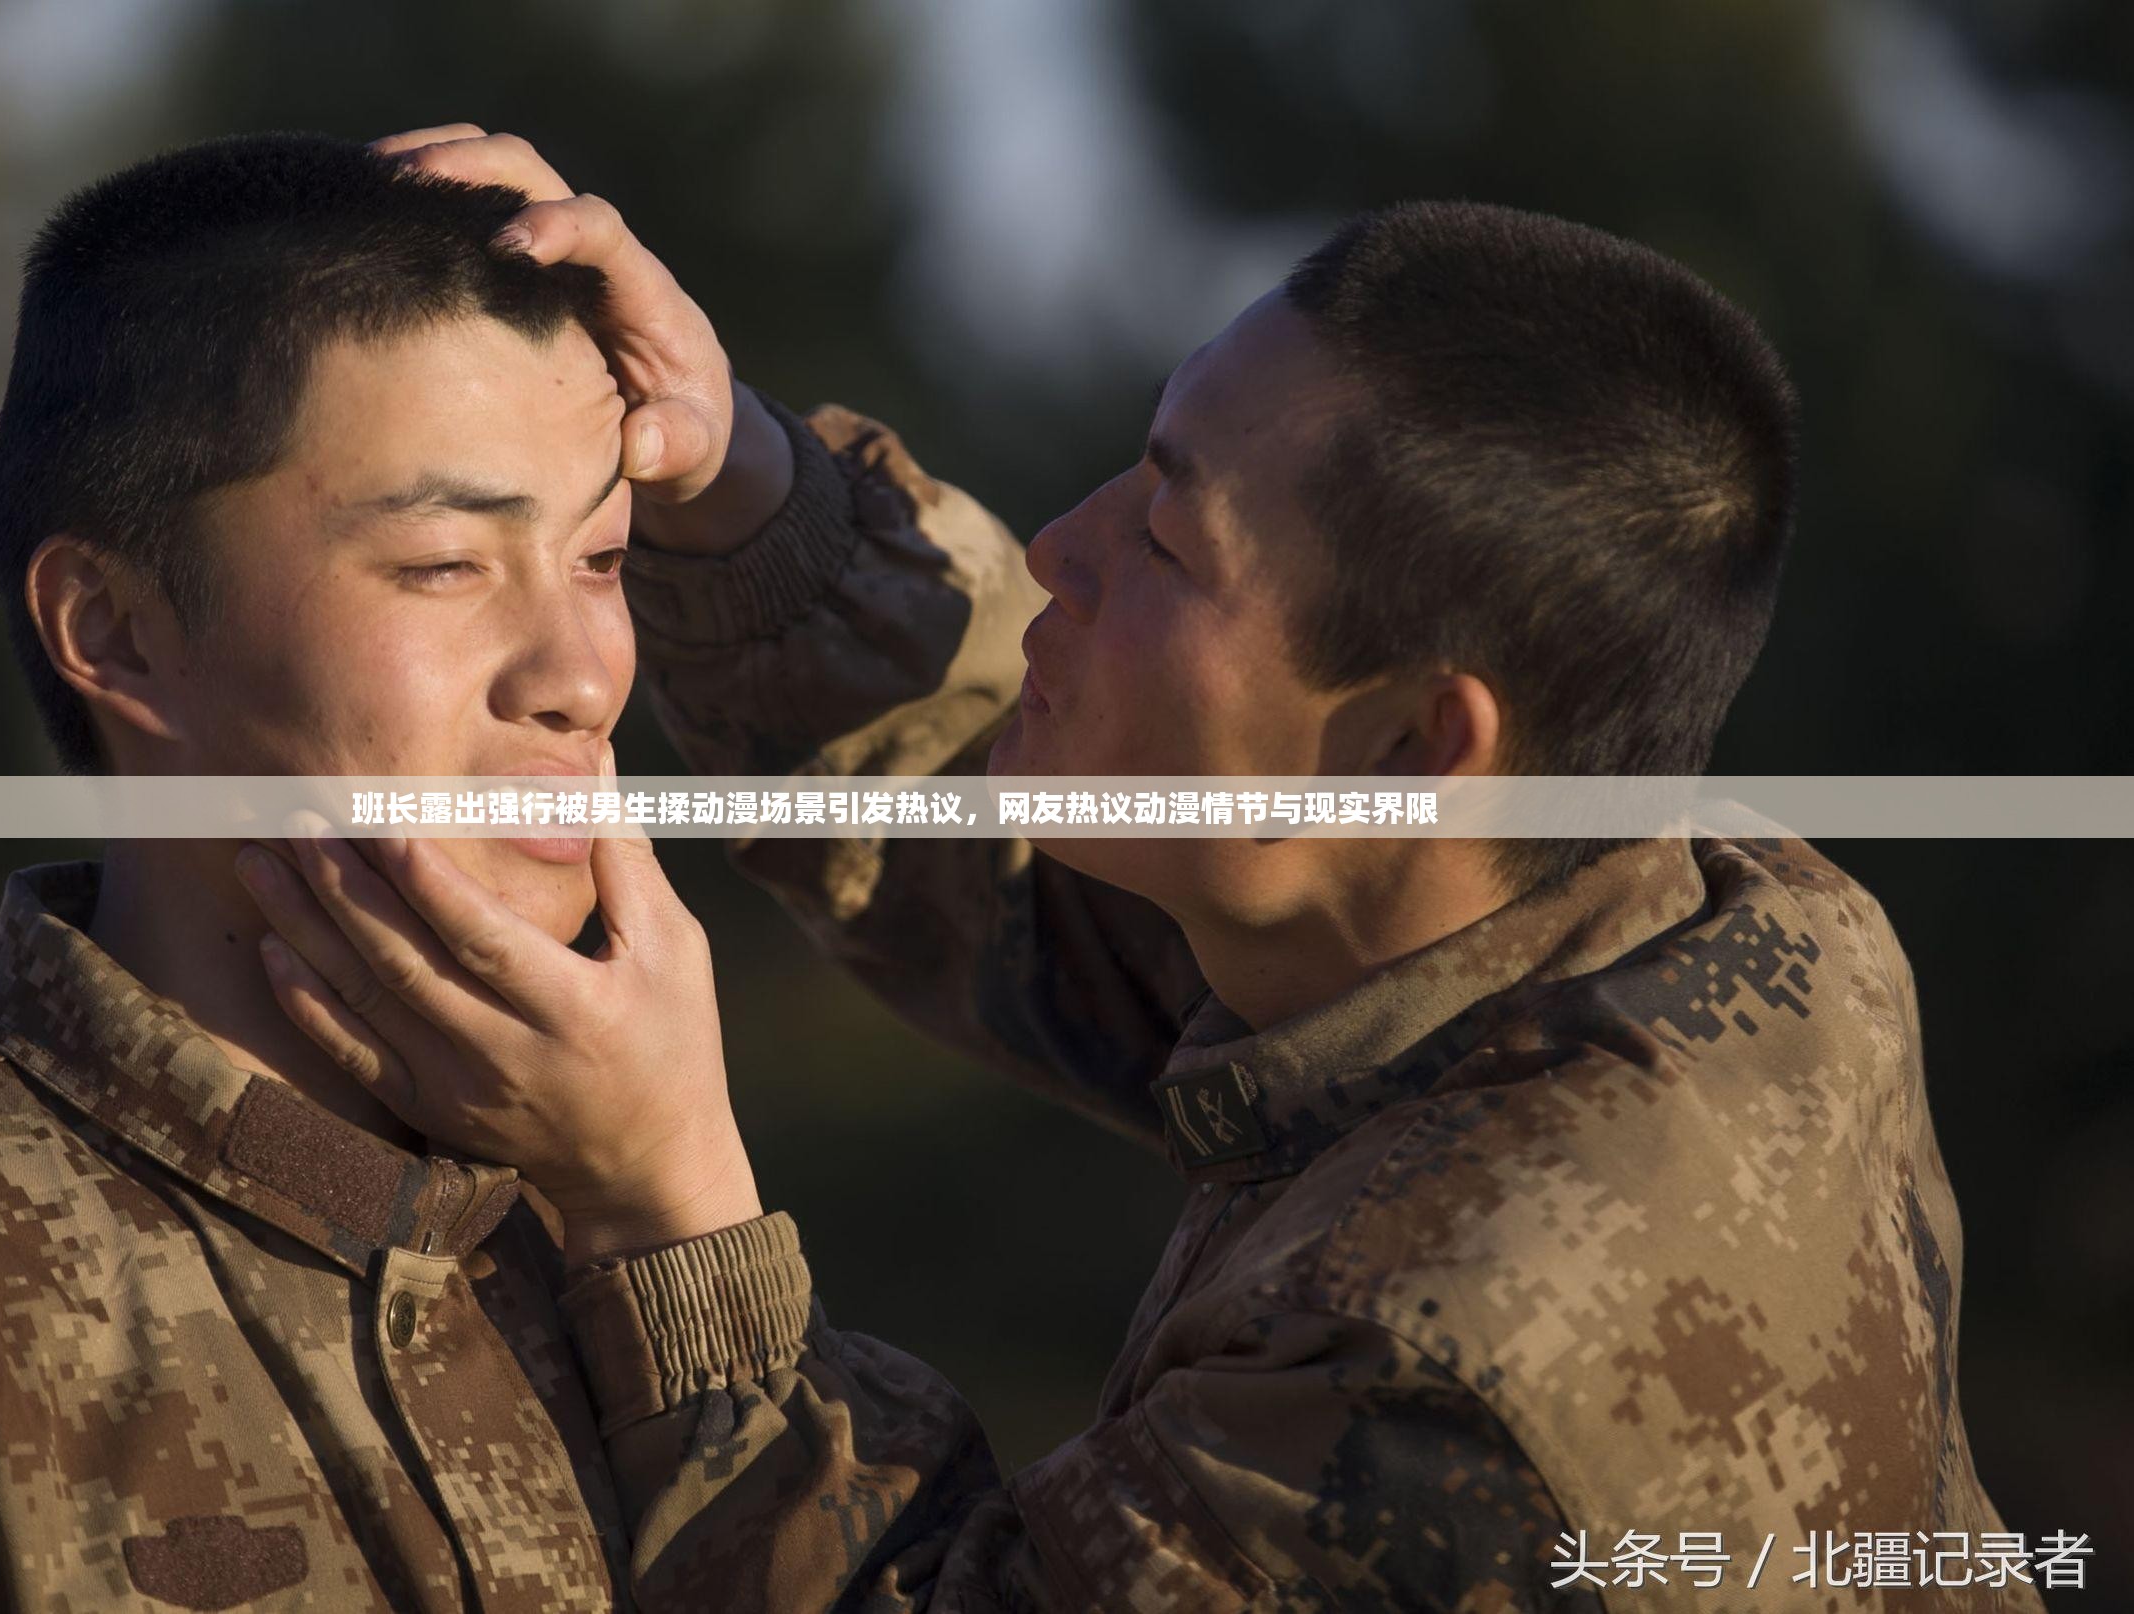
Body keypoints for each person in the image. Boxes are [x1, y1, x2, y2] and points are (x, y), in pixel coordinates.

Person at [239, 129, 2040, 1610]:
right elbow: (1050, 852)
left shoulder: (1454, 1371)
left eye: (1170, 542)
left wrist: (662, 1202)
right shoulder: (1710, 917)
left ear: (1416, 742)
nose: (1061, 549)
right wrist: (752, 498)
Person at [0, 130, 755, 1610]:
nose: (581, 676)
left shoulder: (647, 1245)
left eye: (603, 558)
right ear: (113, 633)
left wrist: (686, 1234)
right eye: (444, 562)